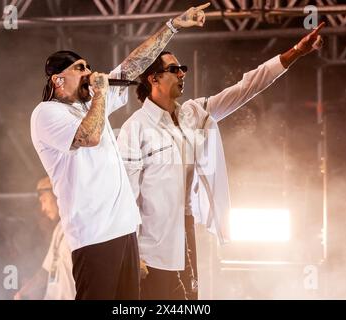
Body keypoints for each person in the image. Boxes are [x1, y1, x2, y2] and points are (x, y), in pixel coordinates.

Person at [117, 22, 326, 300]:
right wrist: (133, 253)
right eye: (173, 70)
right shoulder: (136, 128)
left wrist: (296, 53)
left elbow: (246, 87)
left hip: (186, 229)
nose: (182, 74)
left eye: (183, 69)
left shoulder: (194, 113)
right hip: (150, 244)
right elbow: (125, 196)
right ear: (152, 79)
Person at [30, 3, 211, 300]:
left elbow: (131, 66)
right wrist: (100, 94)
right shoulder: (46, 113)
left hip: (124, 232)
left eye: (88, 67)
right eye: (80, 69)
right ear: (58, 80)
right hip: (94, 235)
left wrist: (173, 26)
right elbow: (88, 136)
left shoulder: (90, 105)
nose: (89, 73)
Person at [14, 177, 75, 300]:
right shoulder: (59, 228)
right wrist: (25, 291)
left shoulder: (80, 229)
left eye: (44, 200)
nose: (43, 208)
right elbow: (46, 271)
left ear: (58, 196)